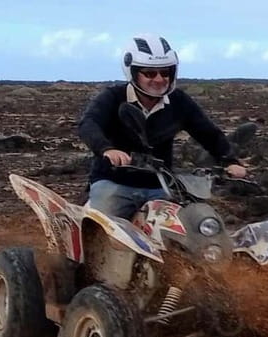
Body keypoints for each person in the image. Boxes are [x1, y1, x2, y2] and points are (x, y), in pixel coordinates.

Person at [78, 33, 246, 219]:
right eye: (149, 73)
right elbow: (89, 124)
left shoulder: (179, 102)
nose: (159, 79)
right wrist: (107, 149)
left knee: (190, 227)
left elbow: (207, 133)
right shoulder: (113, 98)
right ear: (133, 73)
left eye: (165, 72)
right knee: (101, 226)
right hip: (114, 182)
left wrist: (229, 160)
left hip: (160, 185)